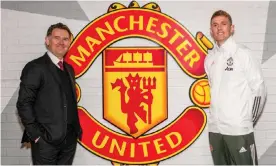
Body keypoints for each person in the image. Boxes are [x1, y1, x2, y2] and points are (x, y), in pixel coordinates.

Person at [204, 10, 267, 165]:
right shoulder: (209, 58)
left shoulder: (243, 54)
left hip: (238, 130)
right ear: (211, 30)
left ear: (232, 28)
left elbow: (259, 90)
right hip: (215, 130)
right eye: (215, 25)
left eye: (224, 24)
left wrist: (245, 121)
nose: (219, 28)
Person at [16, 22, 82, 165]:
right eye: (56, 38)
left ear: (69, 42)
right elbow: (24, 103)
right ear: (47, 41)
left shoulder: (69, 69)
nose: (61, 42)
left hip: (69, 140)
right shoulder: (35, 67)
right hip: (46, 141)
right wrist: (36, 136)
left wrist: (75, 132)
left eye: (65, 39)